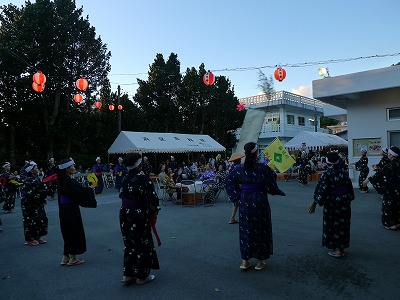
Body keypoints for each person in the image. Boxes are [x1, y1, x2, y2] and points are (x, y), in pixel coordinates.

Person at [225, 142, 285, 271]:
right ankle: (259, 261)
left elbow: (228, 181)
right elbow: (272, 178)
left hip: (245, 199)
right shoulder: (262, 168)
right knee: (261, 227)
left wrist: (236, 196)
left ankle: (245, 261)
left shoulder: (238, 169)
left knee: (246, 228)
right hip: (259, 199)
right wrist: (273, 188)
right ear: (256, 152)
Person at [119, 153, 160, 285]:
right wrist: (153, 213)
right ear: (139, 164)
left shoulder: (124, 178)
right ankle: (141, 276)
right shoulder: (144, 179)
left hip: (125, 214)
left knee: (129, 243)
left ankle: (128, 274)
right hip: (139, 214)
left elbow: (121, 194)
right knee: (142, 243)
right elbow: (152, 200)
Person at [308, 151, 355, 258]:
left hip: (332, 203)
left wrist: (314, 203)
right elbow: (350, 192)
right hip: (345, 203)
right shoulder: (343, 174)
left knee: (332, 225)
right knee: (343, 225)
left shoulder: (327, 174)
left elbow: (321, 191)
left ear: (327, 162)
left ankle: (336, 250)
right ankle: (341, 248)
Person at [57, 158, 97, 266]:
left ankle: (65, 257)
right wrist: (91, 188)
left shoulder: (61, 179)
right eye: (73, 166)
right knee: (73, 231)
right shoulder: (69, 181)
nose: (74, 167)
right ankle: (73, 258)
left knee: (67, 232)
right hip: (71, 209)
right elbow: (80, 191)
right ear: (67, 169)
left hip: (63, 209)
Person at [363, 146, 400, 230]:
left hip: (391, 189)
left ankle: (390, 224)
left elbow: (382, 176)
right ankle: (397, 221)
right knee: (397, 205)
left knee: (389, 206)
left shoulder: (390, 165)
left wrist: (368, 180)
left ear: (391, 155)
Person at [20, 161, 48, 246]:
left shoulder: (37, 178)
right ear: (31, 171)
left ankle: (38, 236)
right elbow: (29, 194)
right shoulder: (28, 180)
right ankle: (29, 239)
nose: (38, 169)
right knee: (31, 220)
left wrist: (42, 198)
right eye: (36, 168)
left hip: (38, 203)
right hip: (29, 204)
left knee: (41, 218)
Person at [226, 153, 244, 224]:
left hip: (231, 186)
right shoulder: (239, 167)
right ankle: (236, 218)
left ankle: (232, 218)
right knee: (241, 202)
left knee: (236, 203)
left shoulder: (232, 167)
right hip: (236, 186)